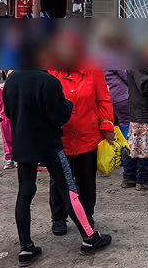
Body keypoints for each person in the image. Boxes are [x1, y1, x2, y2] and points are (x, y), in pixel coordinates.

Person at [3, 45, 112, 264]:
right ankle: (89, 237)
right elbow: (59, 116)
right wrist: (67, 105)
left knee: (24, 193)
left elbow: (8, 110)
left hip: (23, 145)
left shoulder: (12, 80)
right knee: (68, 188)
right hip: (50, 144)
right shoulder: (49, 81)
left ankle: (25, 247)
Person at [47, 63, 115, 235]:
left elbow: (104, 100)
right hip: (60, 138)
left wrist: (107, 126)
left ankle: (87, 215)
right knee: (58, 180)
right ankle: (58, 217)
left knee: (87, 180)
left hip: (88, 135)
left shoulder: (93, 70)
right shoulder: (49, 72)